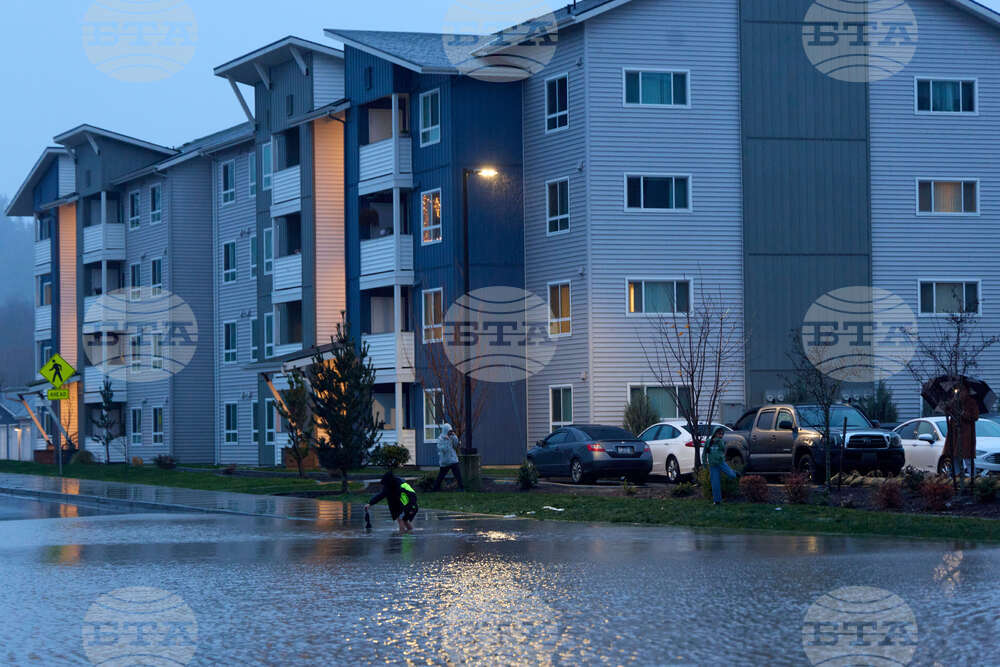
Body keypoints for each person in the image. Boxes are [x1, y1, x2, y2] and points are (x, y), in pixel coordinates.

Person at [704, 426, 738, 505]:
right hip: (713, 465)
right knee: (715, 483)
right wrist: (704, 462)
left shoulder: (721, 441)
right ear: (715, 433)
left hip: (721, 463)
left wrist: (719, 441)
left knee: (732, 475)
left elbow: (723, 449)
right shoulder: (708, 442)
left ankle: (735, 473)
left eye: (722, 434)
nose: (721, 435)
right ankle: (717, 501)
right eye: (719, 433)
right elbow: (705, 453)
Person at [433, 423, 465, 492]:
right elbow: (442, 449)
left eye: (451, 431)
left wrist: (455, 437)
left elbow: (455, 445)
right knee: (441, 476)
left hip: (453, 459)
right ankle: (435, 488)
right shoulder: (440, 439)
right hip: (445, 461)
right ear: (445, 430)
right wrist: (447, 441)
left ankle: (461, 488)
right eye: (449, 431)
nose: (450, 432)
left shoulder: (452, 437)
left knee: (458, 475)